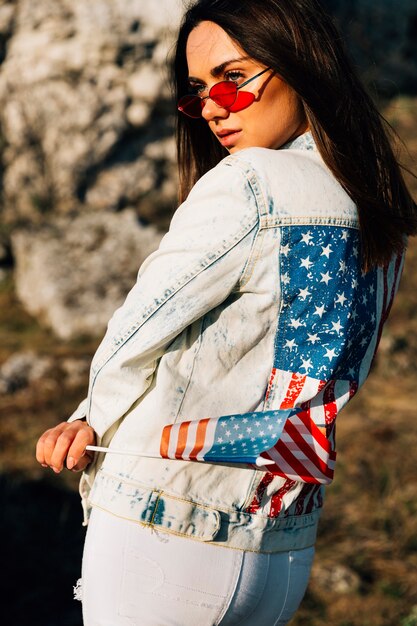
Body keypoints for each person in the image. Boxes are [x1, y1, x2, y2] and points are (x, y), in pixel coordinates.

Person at [35, 1, 417, 624]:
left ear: (301, 66)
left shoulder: (250, 181)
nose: (213, 107)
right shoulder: (375, 208)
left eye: (233, 78)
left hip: (164, 526)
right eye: (198, 91)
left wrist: (90, 417)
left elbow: (139, 329)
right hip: (281, 545)